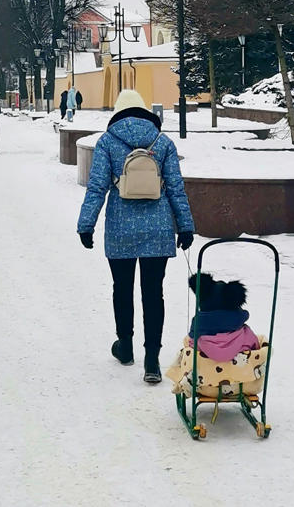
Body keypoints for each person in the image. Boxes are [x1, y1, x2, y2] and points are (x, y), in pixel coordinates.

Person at [76, 89, 194, 385]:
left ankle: (125, 346)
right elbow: (177, 188)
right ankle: (152, 359)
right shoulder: (163, 142)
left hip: (120, 228)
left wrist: (86, 225)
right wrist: (186, 226)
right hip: (158, 229)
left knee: (122, 288)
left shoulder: (107, 141)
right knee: (154, 292)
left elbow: (97, 187)